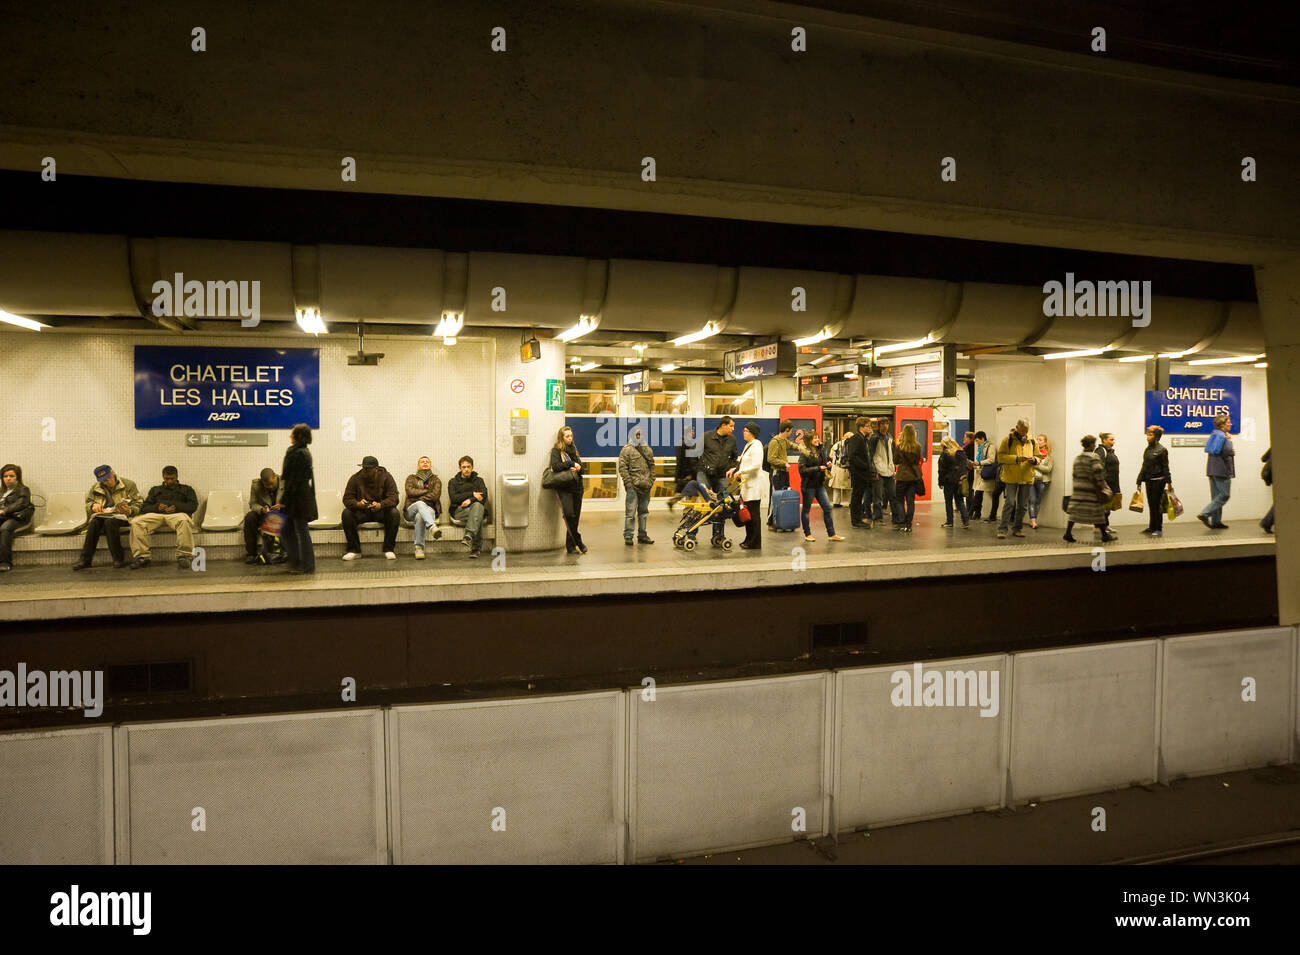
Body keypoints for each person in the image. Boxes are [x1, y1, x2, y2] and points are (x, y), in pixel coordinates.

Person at [129, 466, 199, 569]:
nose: (169, 481)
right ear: (163, 477)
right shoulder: (155, 490)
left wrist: (176, 508)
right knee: (136, 522)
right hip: (157, 514)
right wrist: (157, 507)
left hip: (177, 514)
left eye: (172, 479)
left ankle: (184, 555)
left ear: (177, 477)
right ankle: (142, 557)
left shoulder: (187, 489)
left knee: (184, 521)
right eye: (167, 479)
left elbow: (193, 506)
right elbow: (144, 508)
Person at [73, 466, 141, 570]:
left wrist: (130, 510)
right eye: (103, 480)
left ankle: (118, 559)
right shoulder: (96, 487)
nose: (106, 482)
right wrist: (93, 506)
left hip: (123, 517)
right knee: (94, 523)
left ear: (113, 473)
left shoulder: (128, 485)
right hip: (102, 515)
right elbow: (88, 503)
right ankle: (85, 560)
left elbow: (139, 503)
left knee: (110, 523)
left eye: (107, 478)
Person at [275, 423, 318, 574]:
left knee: (299, 531)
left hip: (297, 499)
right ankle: (299, 563)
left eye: (292, 433)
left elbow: (294, 480)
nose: (290, 436)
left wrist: (283, 501)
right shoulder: (302, 452)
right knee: (291, 530)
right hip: (298, 497)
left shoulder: (298, 453)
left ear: (298, 436)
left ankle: (304, 565)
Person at [342, 456, 400, 560]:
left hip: (380, 511)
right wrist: (358, 504)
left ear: (376, 469)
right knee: (347, 514)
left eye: (369, 469)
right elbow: (347, 499)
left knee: (394, 513)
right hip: (362, 512)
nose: (366, 471)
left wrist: (380, 505)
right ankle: (354, 550)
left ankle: (389, 549)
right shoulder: (355, 478)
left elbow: (394, 497)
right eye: (364, 468)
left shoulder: (386, 477)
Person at [696, 416, 740, 546]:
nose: (733, 429)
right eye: (731, 426)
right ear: (723, 425)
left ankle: (718, 535)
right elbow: (694, 454)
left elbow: (734, 457)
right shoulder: (706, 436)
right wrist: (700, 469)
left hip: (721, 476)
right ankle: (691, 533)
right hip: (704, 474)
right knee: (705, 504)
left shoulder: (732, 440)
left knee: (722, 506)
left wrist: (731, 467)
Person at [1064, 435, 1117, 543]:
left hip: (1079, 489)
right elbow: (1098, 474)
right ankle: (1104, 535)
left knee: (1075, 513)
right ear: (1092, 444)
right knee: (1098, 512)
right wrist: (1103, 486)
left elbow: (1074, 474)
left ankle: (1068, 533)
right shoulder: (1094, 457)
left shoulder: (1078, 458)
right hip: (1091, 490)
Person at [797, 430, 845, 542]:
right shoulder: (805, 453)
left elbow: (824, 463)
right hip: (808, 486)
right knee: (806, 510)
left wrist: (827, 464)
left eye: (817, 437)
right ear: (809, 441)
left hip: (819, 484)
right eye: (814, 438)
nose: (817, 439)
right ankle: (807, 533)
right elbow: (802, 470)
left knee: (827, 508)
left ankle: (831, 534)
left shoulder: (821, 450)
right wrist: (818, 468)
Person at [996, 420, 1037, 540]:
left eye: (1027, 430)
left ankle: (1017, 528)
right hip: (1011, 477)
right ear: (1017, 428)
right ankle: (1002, 529)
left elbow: (1038, 456)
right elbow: (1001, 457)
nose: (1025, 433)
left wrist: (1034, 460)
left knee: (1023, 505)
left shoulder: (1032, 441)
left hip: (1027, 476)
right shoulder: (1007, 440)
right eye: (1023, 430)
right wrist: (1016, 459)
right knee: (1010, 503)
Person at [549, 427, 585, 555]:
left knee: (575, 518)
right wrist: (571, 464)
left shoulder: (574, 449)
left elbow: (582, 468)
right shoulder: (557, 451)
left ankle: (571, 546)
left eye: (571, 435)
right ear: (561, 438)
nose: (570, 438)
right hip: (564, 488)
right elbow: (555, 466)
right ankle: (578, 541)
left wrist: (579, 468)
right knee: (569, 515)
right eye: (567, 436)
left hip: (577, 487)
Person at [618, 426, 655, 546]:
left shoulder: (648, 450)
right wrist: (628, 484)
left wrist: (651, 481)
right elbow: (623, 468)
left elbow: (652, 466)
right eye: (637, 434)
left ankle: (642, 535)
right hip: (633, 488)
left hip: (646, 487)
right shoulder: (626, 450)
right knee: (630, 513)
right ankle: (628, 536)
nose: (639, 436)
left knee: (644, 513)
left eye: (640, 434)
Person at [1197, 414, 1235, 530]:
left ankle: (1216, 521)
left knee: (1216, 497)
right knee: (1224, 495)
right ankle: (1205, 513)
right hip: (1221, 469)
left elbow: (1212, 450)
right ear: (1222, 425)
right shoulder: (1223, 437)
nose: (1230, 424)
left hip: (1212, 469)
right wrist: (1230, 442)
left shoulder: (1213, 434)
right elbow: (1227, 451)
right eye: (1228, 422)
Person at [449, 455, 490, 558]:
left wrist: (470, 500)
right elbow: (454, 498)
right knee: (478, 511)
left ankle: (468, 536)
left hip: (475, 509)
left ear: (472, 467)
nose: (466, 469)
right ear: (460, 468)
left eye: (468, 467)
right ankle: (475, 548)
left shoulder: (479, 480)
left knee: (477, 509)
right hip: (459, 511)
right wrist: (472, 494)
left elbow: (483, 496)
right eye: (464, 467)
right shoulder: (453, 482)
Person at [765, 420, 804, 529]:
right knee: (774, 497)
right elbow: (771, 459)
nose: (791, 432)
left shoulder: (784, 441)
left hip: (784, 472)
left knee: (783, 496)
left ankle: (780, 520)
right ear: (787, 430)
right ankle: (770, 522)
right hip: (776, 473)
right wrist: (784, 463)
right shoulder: (774, 442)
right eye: (791, 430)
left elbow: (791, 445)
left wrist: (800, 447)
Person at [403, 456, 443, 559]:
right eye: (422, 462)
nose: (425, 463)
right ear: (418, 465)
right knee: (420, 504)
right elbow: (410, 491)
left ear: (430, 465)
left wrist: (419, 497)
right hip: (411, 509)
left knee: (420, 516)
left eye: (427, 462)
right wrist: (426, 491)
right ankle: (432, 527)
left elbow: (435, 495)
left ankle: (419, 548)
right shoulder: (411, 478)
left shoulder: (436, 480)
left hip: (430, 509)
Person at [1135, 425, 1171, 537]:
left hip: (1159, 481)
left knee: (1157, 505)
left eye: (1150, 434)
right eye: (1147, 434)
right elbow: (1144, 466)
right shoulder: (1148, 449)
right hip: (1149, 480)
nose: (1148, 437)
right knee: (1151, 504)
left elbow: (1166, 467)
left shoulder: (1162, 450)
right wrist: (1139, 480)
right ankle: (1151, 527)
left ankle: (1158, 528)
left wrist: (1169, 482)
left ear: (1156, 437)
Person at [737, 422, 768, 549]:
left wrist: (740, 472)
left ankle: (754, 542)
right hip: (747, 485)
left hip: (754, 486)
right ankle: (748, 539)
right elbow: (742, 462)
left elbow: (756, 465)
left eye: (746, 431)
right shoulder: (748, 445)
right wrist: (734, 470)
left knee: (754, 516)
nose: (744, 432)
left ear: (752, 433)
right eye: (744, 430)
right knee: (747, 515)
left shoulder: (756, 446)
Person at [0, 464, 35, 572]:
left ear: (17, 477)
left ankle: (5, 562)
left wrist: (4, 510)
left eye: (12, 476)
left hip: (18, 518)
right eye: (5, 476)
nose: (8, 479)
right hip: (3, 517)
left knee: (5, 528)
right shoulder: (2, 491)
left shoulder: (24, 490)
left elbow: (20, 504)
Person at [867, 419, 901, 526]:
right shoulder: (874, 438)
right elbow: (870, 456)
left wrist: (894, 469)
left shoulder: (890, 437)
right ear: (878, 425)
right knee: (878, 497)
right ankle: (877, 518)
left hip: (889, 470)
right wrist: (874, 471)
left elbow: (892, 454)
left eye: (887, 423)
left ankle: (896, 518)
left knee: (893, 495)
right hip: (879, 470)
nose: (885, 426)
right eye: (882, 424)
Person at [893, 424, 925, 532]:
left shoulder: (900, 447)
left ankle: (902, 522)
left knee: (899, 500)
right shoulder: (918, 446)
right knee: (910, 501)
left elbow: (895, 461)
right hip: (913, 477)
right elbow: (917, 461)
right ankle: (909, 524)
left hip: (902, 476)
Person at [845, 417, 876, 529]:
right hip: (858, 473)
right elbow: (852, 456)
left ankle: (857, 518)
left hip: (861, 473)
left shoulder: (863, 438)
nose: (870, 428)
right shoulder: (857, 438)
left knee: (858, 496)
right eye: (868, 426)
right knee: (857, 497)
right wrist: (865, 465)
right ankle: (856, 520)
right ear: (861, 427)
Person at [937, 439, 971, 529]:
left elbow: (941, 470)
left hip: (949, 480)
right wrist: (962, 477)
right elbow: (965, 466)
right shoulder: (961, 452)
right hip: (959, 480)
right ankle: (966, 520)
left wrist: (940, 482)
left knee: (948, 501)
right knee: (959, 500)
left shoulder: (945, 454)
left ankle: (949, 521)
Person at [1095, 432, 1120, 535]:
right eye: (1111, 440)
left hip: (1112, 483)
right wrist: (1102, 482)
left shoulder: (1111, 452)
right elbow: (1099, 467)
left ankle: (1104, 526)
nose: (1113, 442)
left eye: (1113, 440)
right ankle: (1101, 527)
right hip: (1105, 484)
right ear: (1104, 440)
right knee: (1103, 506)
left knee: (1108, 507)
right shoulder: (1101, 451)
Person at [666, 426, 697, 510]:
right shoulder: (686, 444)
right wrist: (689, 473)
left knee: (686, 491)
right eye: (692, 431)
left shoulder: (683, 443)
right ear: (688, 433)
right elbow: (684, 460)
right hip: (687, 473)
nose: (693, 433)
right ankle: (688, 511)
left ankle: (673, 502)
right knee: (690, 491)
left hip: (685, 473)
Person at [1029, 434, 1054, 530]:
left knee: (1038, 501)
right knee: (1032, 500)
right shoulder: (1032, 454)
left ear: (1045, 442)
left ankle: (1034, 518)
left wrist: (1036, 465)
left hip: (1042, 481)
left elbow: (1048, 469)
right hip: (1031, 479)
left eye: (1040, 440)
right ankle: (1033, 521)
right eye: (1037, 440)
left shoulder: (1049, 456)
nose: (1038, 441)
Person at [828, 430, 853, 507]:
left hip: (836, 469)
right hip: (847, 469)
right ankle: (851, 502)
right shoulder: (851, 444)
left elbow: (831, 455)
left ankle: (836, 502)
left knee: (837, 487)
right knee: (849, 488)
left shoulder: (836, 445)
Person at [969, 431, 991, 520]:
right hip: (979, 472)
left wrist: (979, 462)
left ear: (982, 439)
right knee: (978, 494)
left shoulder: (990, 447)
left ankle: (971, 512)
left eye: (977, 440)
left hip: (986, 473)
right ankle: (976, 513)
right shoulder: (980, 448)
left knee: (978, 494)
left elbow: (991, 459)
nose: (976, 443)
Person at [960, 431, 978, 516]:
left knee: (969, 490)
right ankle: (969, 509)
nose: (964, 438)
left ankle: (969, 510)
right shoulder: (968, 447)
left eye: (965, 437)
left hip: (969, 472)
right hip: (969, 471)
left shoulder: (969, 448)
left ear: (970, 439)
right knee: (969, 490)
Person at [1260, 448, 1274, 534]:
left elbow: (1263, 458)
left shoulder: (1276, 444)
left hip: (1268, 473)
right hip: (1275, 473)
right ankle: (1267, 522)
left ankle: (1267, 522)